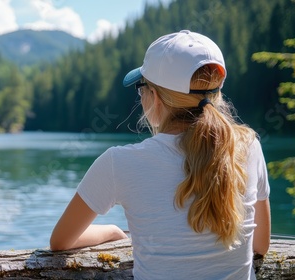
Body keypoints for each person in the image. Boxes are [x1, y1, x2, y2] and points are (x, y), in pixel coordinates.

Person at [49, 30, 271, 279]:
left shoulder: (117, 163)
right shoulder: (248, 146)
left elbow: (61, 241)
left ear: (154, 97)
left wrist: (111, 231)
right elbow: (260, 245)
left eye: (141, 87)